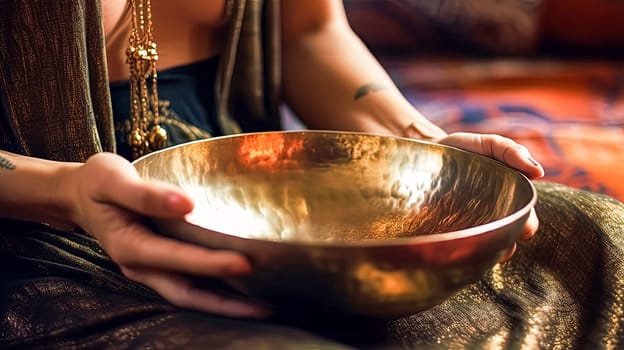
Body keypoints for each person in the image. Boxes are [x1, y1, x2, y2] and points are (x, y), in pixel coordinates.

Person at [6, 1, 620, 349]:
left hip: (260, 200)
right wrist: (64, 192)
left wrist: (426, 154)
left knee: (603, 241)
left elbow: (310, 32)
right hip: (44, 240)